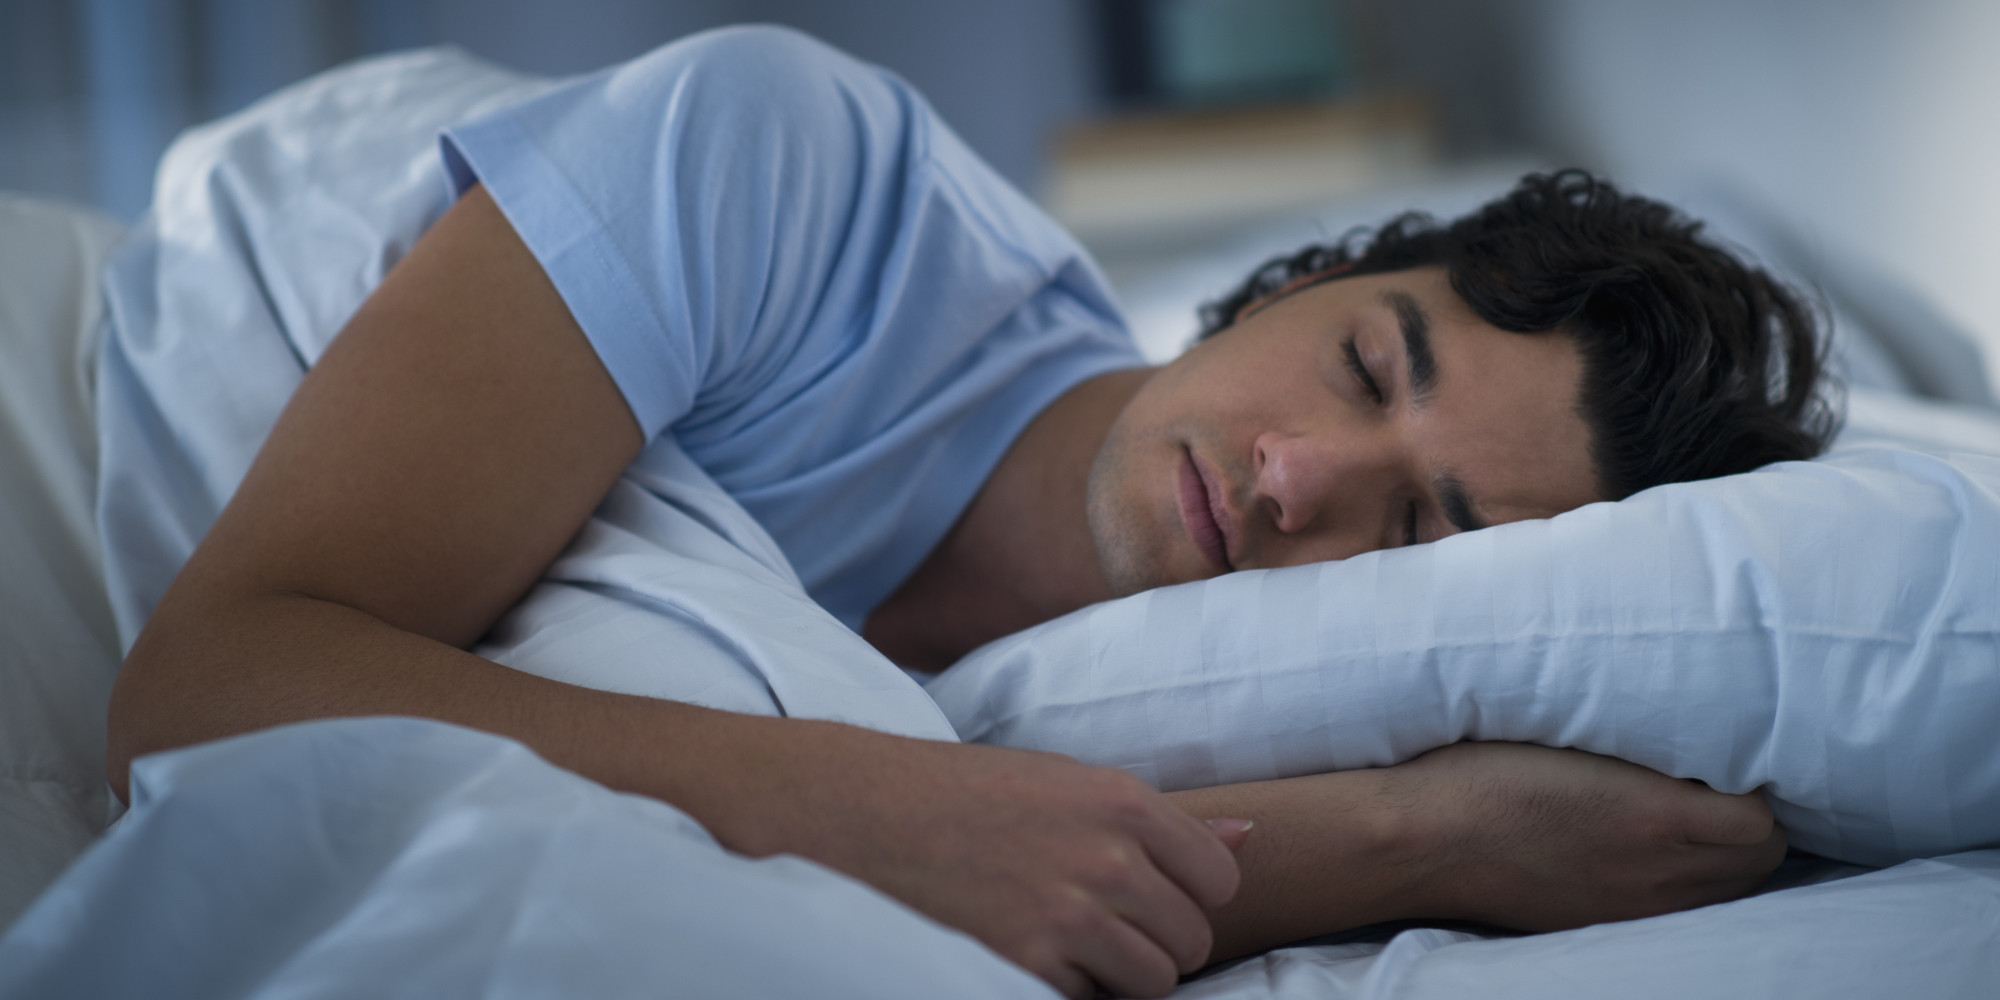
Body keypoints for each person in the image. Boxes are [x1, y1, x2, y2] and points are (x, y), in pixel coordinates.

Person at [101, 26, 1827, 1000]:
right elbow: (204, 691)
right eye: (1370, 369)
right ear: (1301, 280)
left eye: (1423, 533)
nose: (1301, 480)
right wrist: (867, 808)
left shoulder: (1267, 714)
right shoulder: (790, 174)